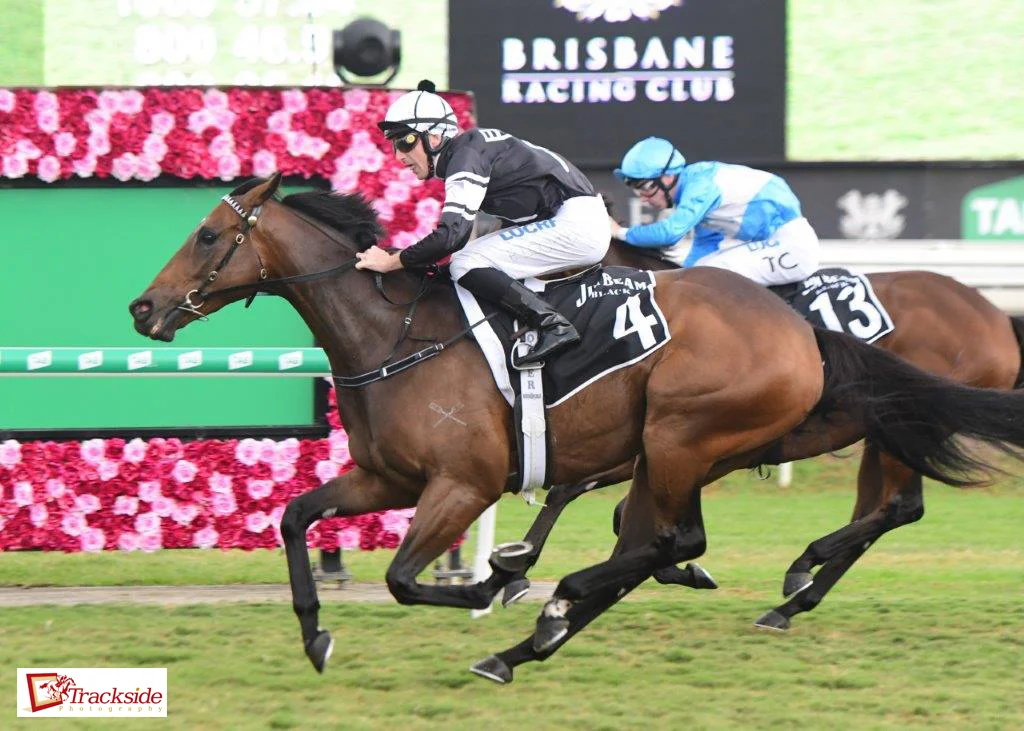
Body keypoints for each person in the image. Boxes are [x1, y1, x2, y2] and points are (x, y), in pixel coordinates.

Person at [355, 81, 609, 366]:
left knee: (465, 262)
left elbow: (452, 237)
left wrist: (392, 261)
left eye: (405, 142)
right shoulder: (470, 149)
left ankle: (552, 325)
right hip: (571, 217)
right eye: (394, 144)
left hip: (576, 223)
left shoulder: (466, 156)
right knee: (463, 263)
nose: (399, 155)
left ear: (434, 137)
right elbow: (501, 224)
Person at [609, 137, 820, 286]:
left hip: (793, 247)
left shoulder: (700, 185)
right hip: (775, 243)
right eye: (637, 190)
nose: (643, 198)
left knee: (711, 274)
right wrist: (678, 280)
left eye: (645, 187)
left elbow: (670, 233)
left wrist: (620, 232)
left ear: (667, 177)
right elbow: (704, 247)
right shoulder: (695, 190)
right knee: (699, 273)